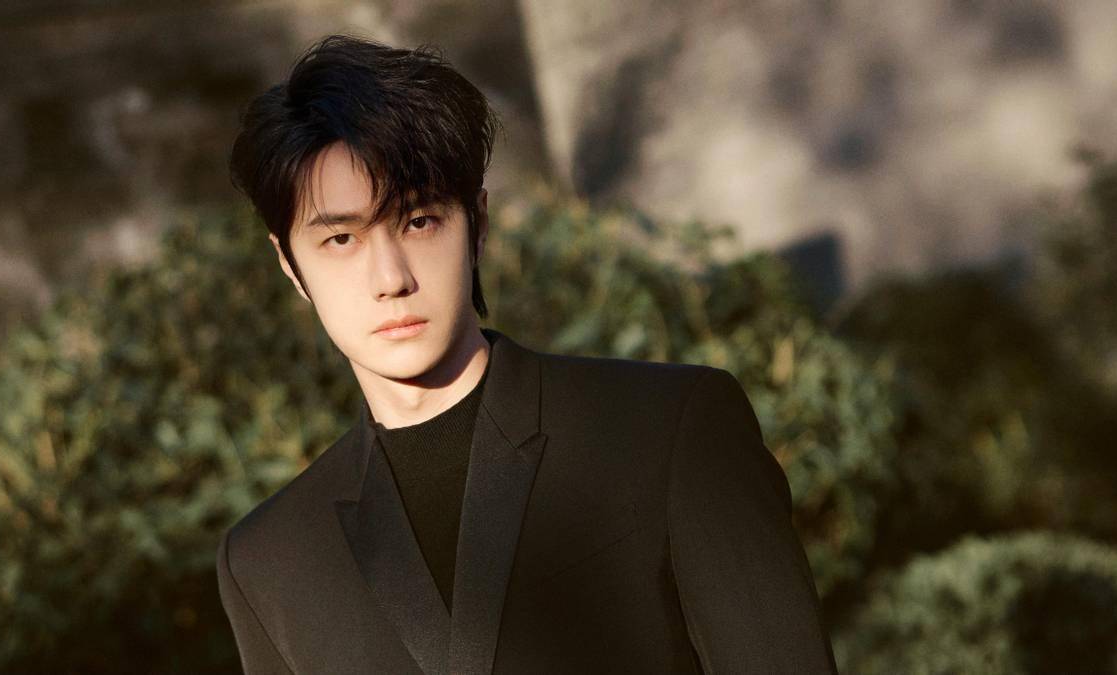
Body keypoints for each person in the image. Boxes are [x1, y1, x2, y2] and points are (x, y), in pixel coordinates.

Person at [217, 33, 838, 674]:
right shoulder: (269, 561)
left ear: (478, 224)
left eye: (419, 221)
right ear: (290, 265)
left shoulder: (668, 432)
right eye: (342, 239)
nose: (390, 278)